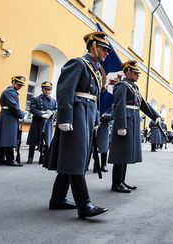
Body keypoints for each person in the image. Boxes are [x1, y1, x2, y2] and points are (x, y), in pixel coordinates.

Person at [47, 31, 111, 219]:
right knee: (76, 158)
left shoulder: (96, 69)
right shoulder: (78, 63)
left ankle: (57, 199)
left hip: (87, 114)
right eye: (103, 49)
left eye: (107, 50)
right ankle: (84, 205)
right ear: (93, 46)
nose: (106, 53)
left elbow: (95, 99)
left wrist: (96, 119)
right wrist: (65, 118)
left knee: (75, 157)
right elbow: (65, 90)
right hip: (76, 114)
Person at [108, 60, 160, 193]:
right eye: (135, 73)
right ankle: (116, 183)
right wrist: (121, 125)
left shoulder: (133, 87)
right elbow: (119, 106)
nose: (138, 75)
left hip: (132, 120)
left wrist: (155, 116)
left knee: (125, 153)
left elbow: (143, 104)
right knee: (120, 153)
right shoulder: (121, 85)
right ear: (128, 72)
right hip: (125, 120)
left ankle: (121, 180)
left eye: (138, 73)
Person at [0, 76, 26, 166]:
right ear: (13, 82)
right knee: (9, 138)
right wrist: (22, 115)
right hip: (9, 116)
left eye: (21, 85)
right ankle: (10, 160)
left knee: (2, 138)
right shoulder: (9, 92)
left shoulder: (11, 92)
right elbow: (13, 106)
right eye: (18, 84)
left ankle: (0, 159)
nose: (19, 86)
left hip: (7, 116)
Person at [26, 81, 57, 164]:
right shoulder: (35, 99)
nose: (47, 91)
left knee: (47, 141)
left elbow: (56, 109)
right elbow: (32, 109)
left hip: (48, 123)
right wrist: (41, 114)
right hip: (37, 122)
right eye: (45, 89)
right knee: (33, 141)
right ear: (42, 89)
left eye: (49, 89)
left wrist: (52, 113)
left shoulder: (53, 101)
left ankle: (45, 158)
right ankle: (30, 157)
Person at [96, 107, 113, 173]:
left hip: (104, 126)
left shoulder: (110, 102)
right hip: (94, 123)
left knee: (104, 148)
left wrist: (102, 115)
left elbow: (112, 116)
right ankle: (95, 165)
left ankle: (103, 165)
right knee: (93, 147)